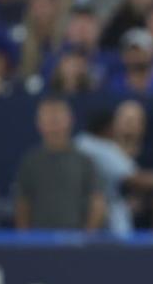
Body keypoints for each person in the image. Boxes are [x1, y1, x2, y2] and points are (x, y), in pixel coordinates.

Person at [76, 101, 153, 237]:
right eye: (125, 119)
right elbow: (135, 179)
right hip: (101, 224)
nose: (129, 124)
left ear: (143, 125)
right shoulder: (100, 150)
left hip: (142, 229)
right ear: (114, 123)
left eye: (134, 120)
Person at [13, 97, 104, 230]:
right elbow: (22, 204)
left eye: (58, 120)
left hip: (75, 240)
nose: (54, 125)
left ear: (70, 120)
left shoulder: (84, 161)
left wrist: (87, 238)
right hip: (39, 240)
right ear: (39, 123)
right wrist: (25, 239)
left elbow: (97, 202)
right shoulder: (30, 162)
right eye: (49, 120)